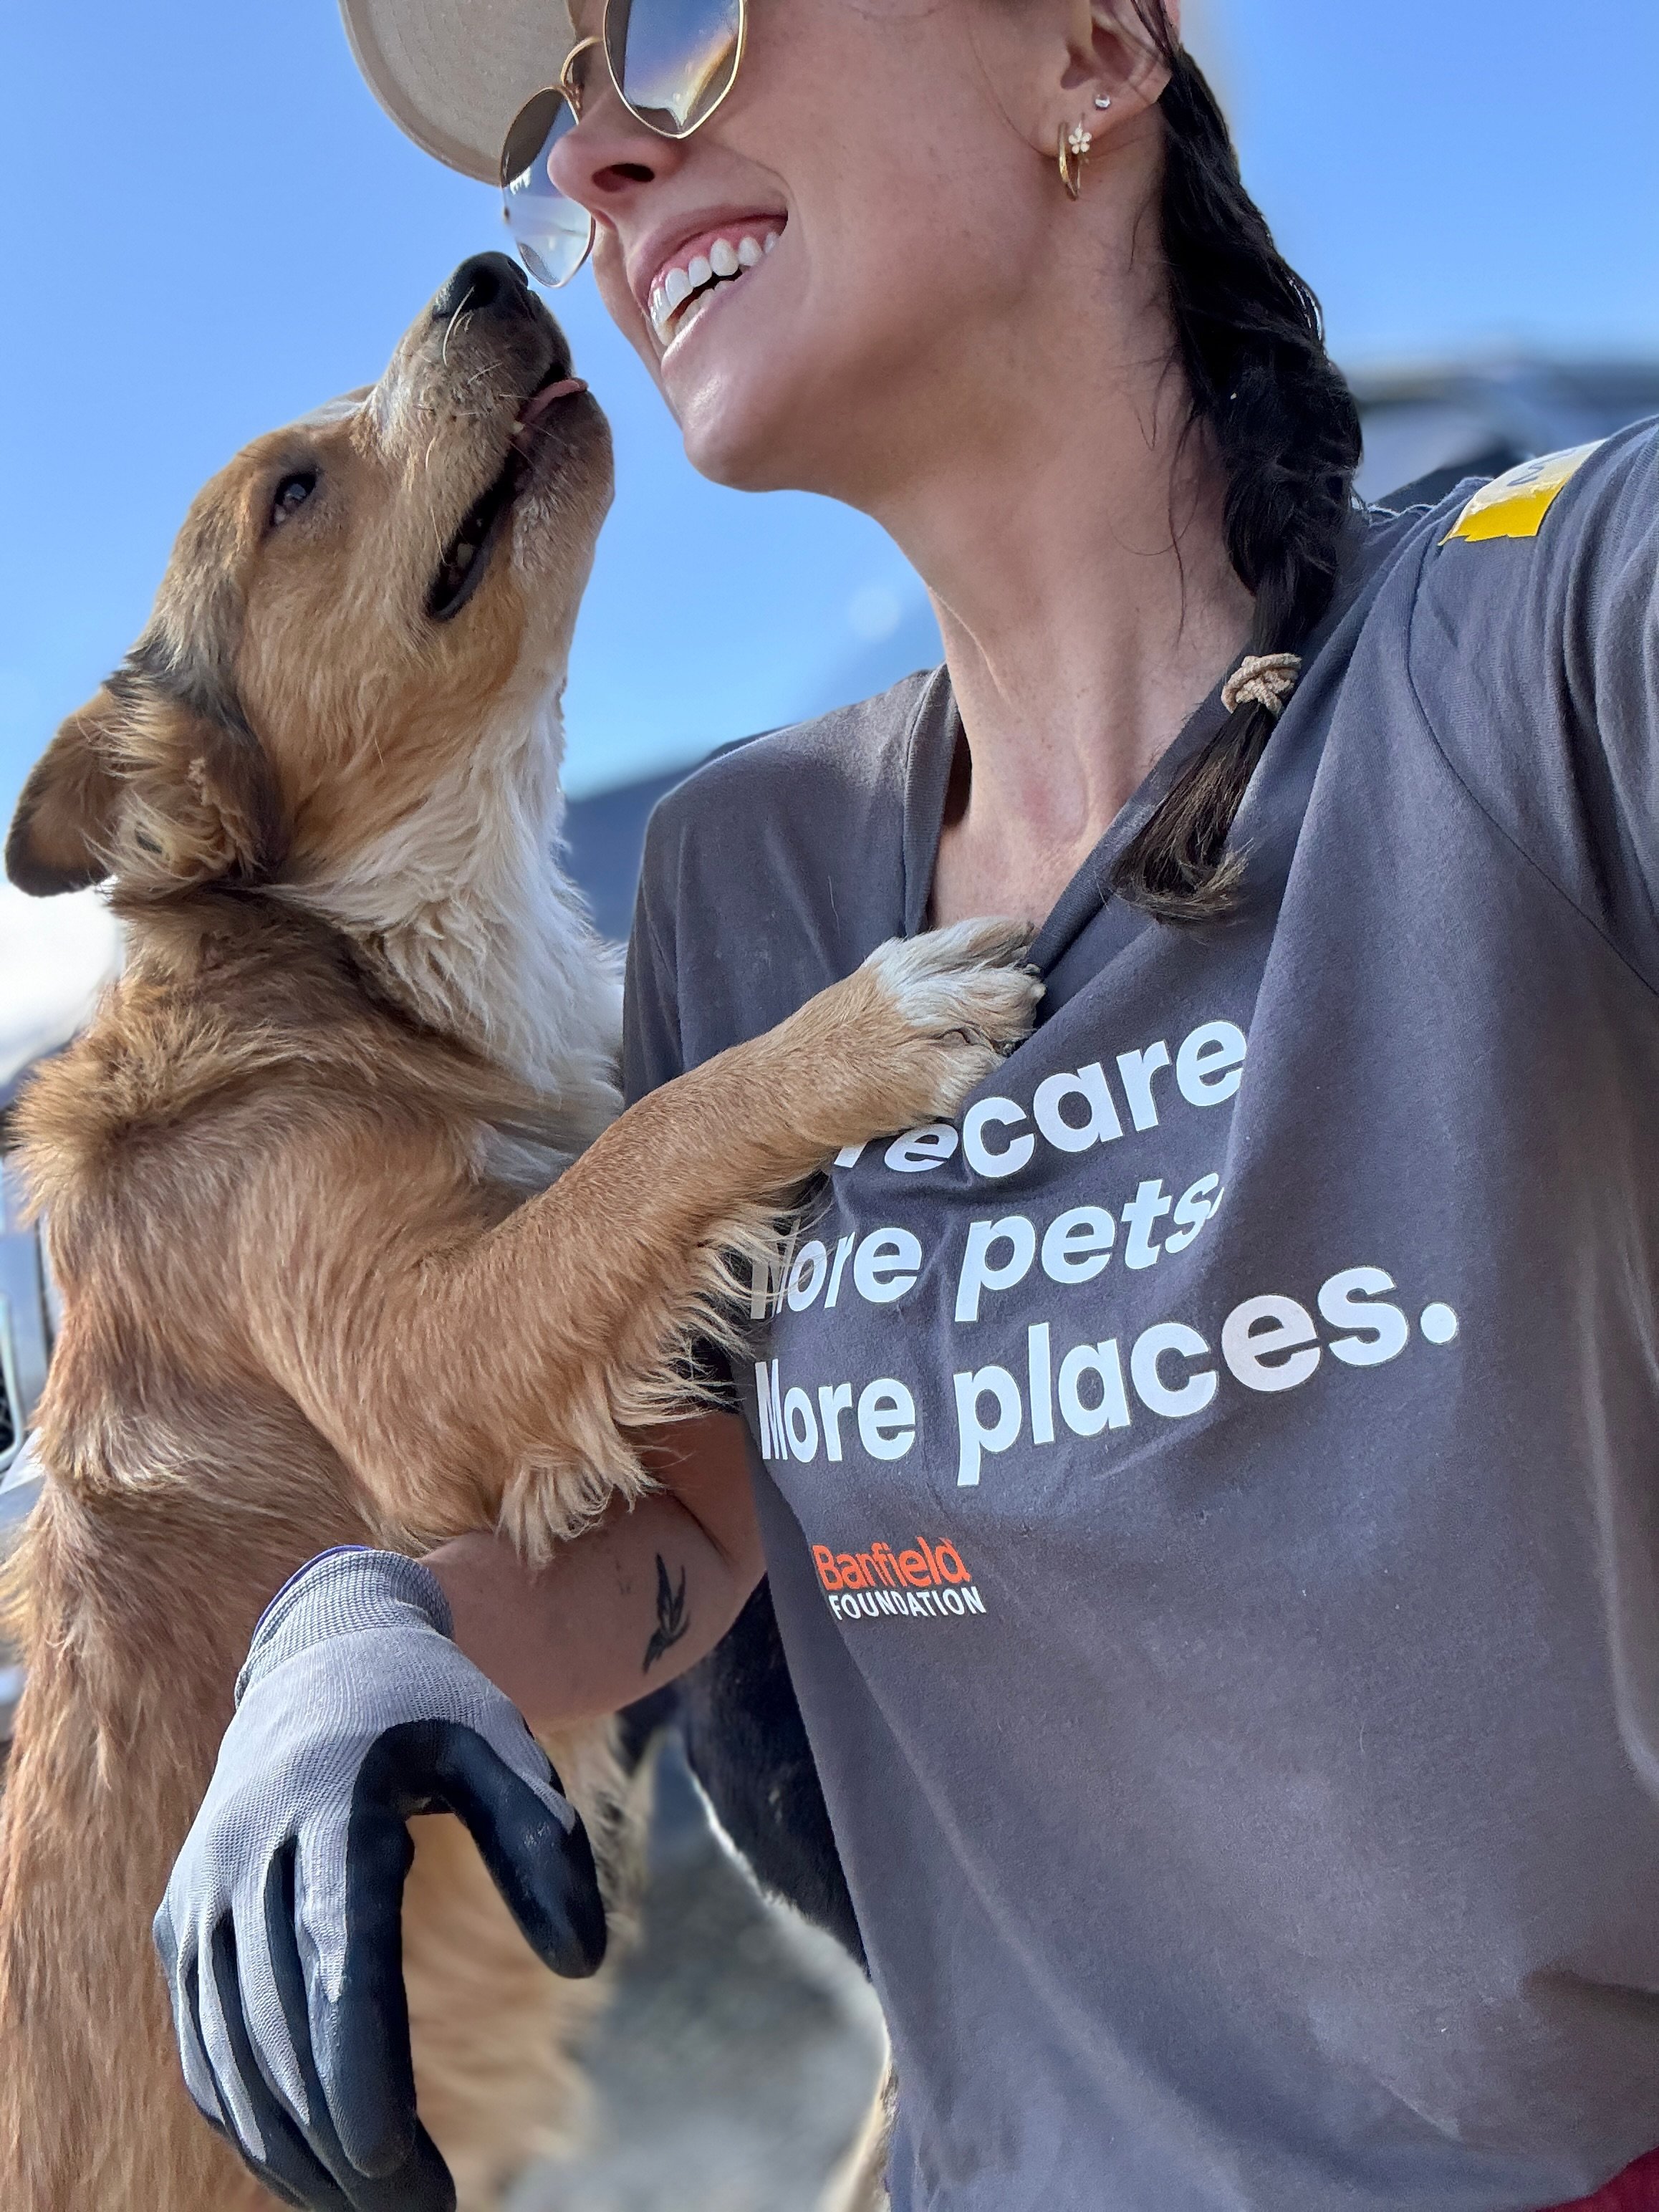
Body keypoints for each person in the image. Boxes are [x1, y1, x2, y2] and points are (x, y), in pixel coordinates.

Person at [155, 1, 1659, 2207]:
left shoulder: (1543, 639)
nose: (594, 163)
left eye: (679, 24)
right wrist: (364, 1630)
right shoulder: (743, 871)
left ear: (1089, 53)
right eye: (559, 117)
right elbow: (690, 1538)